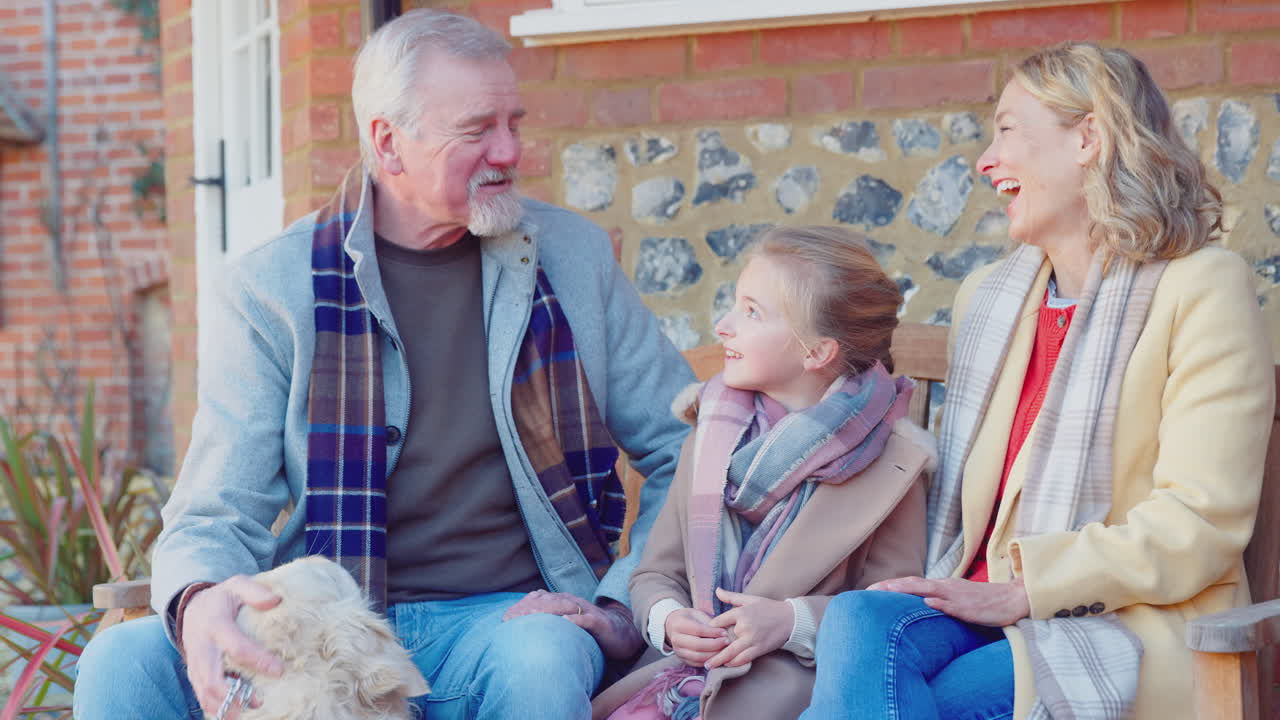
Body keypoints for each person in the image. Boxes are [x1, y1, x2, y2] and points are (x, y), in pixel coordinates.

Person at [73, 9, 695, 720]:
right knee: (121, 662)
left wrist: (625, 602)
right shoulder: (270, 289)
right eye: (477, 129)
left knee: (544, 660)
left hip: (508, 621)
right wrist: (197, 600)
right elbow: (216, 508)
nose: (509, 150)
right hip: (327, 623)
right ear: (388, 143)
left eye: (513, 123)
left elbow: (687, 448)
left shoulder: (573, 259)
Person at [800, 42, 1274, 720]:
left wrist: (1028, 589)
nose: (985, 160)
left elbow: (1199, 520)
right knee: (857, 621)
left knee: (921, 700)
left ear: (1088, 137)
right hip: (974, 601)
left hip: (1126, 624)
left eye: (1006, 129)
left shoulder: (1201, 288)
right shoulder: (989, 299)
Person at [591, 226, 936, 720]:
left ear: (816, 352)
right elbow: (656, 570)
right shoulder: (710, 430)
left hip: (790, 693)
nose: (724, 326)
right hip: (677, 682)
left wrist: (790, 621)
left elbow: (890, 613)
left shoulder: (894, 466)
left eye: (751, 312)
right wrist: (669, 619)